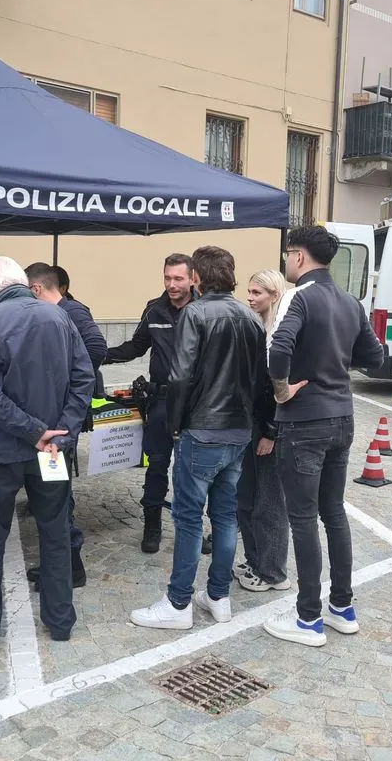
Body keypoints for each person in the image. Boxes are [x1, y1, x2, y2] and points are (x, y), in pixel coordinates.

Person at [0, 257, 95, 651]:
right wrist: (60, 433)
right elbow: (84, 379)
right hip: (50, 448)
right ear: (23, 283)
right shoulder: (58, 316)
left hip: (4, 450)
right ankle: (60, 621)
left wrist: (36, 433)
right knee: (55, 532)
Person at [130, 246, 266, 630]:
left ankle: (178, 604)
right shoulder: (251, 317)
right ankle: (219, 596)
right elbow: (262, 380)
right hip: (238, 432)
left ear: (196, 278)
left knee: (189, 519)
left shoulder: (195, 313)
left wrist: (175, 425)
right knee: (224, 516)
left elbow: (180, 376)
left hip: (202, 430)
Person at [263, 227, 384, 647]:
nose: (285, 261)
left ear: (298, 256)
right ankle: (342, 608)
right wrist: (335, 361)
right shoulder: (350, 301)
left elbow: (278, 351)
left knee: (302, 520)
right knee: (333, 513)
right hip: (342, 418)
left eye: (287, 254)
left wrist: (282, 390)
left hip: (304, 423)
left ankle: (308, 618)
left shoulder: (298, 297)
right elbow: (375, 357)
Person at [23, 262, 108, 589]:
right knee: (55, 492)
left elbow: (97, 348)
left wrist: (68, 381)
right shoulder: (54, 313)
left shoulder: (72, 311)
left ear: (36, 288)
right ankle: (59, 564)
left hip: (62, 423)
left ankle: (70, 568)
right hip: (56, 421)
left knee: (59, 495)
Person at [104, 254, 195, 553]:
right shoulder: (154, 309)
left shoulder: (203, 310)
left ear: (192, 278)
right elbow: (135, 346)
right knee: (156, 465)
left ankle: (191, 528)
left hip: (194, 405)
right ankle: (152, 525)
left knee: (192, 470)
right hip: (161, 403)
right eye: (167, 277)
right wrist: (98, 355)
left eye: (178, 278)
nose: (171, 284)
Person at [234, 269, 291, 593]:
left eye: (257, 292)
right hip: (253, 424)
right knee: (248, 498)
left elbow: (276, 391)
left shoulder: (280, 333)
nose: (250, 297)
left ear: (274, 294)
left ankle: (273, 572)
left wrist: (270, 432)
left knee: (269, 503)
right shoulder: (260, 328)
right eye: (249, 291)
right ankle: (256, 560)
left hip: (269, 429)